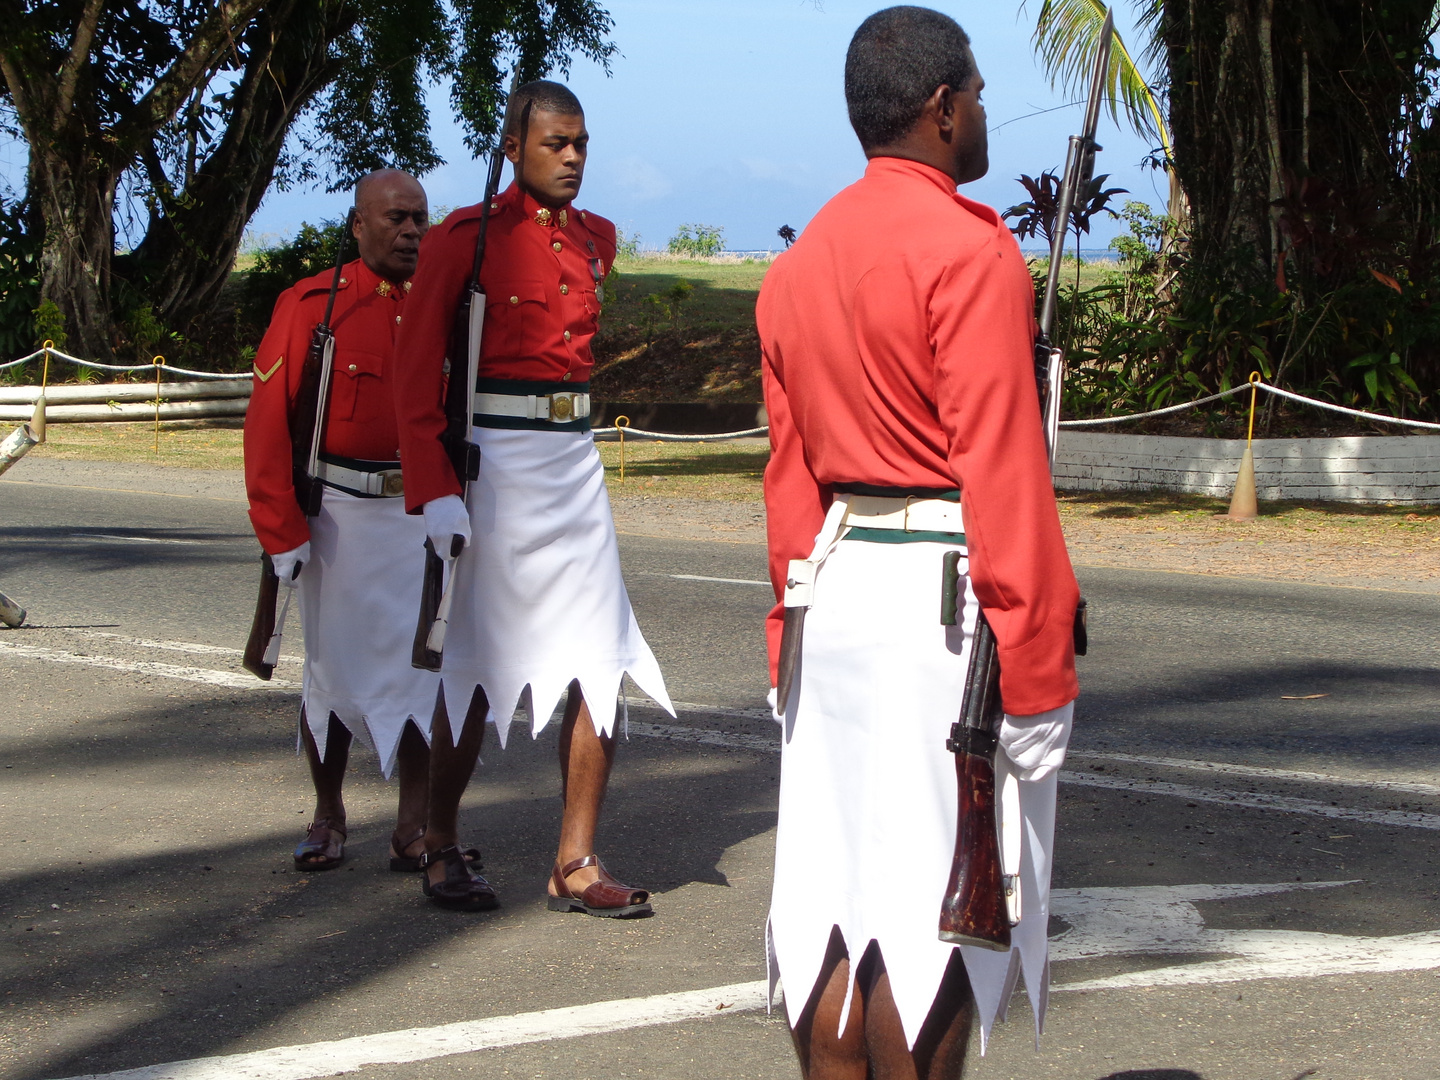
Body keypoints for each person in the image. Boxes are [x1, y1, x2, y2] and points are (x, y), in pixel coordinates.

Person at [757, 8, 1081, 1078]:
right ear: (942, 109)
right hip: (938, 613)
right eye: (978, 93)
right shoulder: (971, 251)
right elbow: (1004, 475)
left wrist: (786, 634)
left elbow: (789, 483)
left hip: (833, 597)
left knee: (836, 918)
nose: (985, 110)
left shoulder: (797, 268)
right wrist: (1037, 679)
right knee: (936, 930)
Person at [394, 80, 672, 913]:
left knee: (602, 660)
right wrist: (436, 492)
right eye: (556, 143)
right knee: (471, 670)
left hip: (574, 461)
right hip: (494, 465)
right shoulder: (465, 242)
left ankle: (575, 860)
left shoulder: (597, 240)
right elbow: (414, 381)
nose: (574, 157)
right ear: (512, 148)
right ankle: (440, 841)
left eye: (582, 142)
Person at [245, 169, 468, 879]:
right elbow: (268, 427)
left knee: (423, 673)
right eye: (395, 219)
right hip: (337, 516)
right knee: (333, 674)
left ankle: (412, 825)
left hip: (419, 515)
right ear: (358, 225)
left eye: (419, 220)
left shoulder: (449, 308)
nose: (410, 231)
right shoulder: (314, 306)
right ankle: (328, 814)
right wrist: (281, 532)